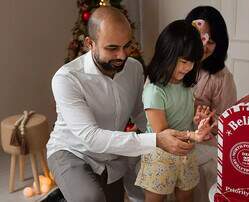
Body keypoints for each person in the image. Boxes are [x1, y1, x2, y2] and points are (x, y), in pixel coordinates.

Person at [46, 7, 194, 202]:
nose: (122, 55)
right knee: (90, 198)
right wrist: (157, 140)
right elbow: (90, 137)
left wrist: (173, 136)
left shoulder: (133, 68)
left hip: (112, 155)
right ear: (90, 43)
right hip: (73, 151)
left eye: (127, 46)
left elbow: (141, 113)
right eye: (112, 48)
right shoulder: (67, 78)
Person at [135, 20, 213, 202]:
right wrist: (193, 136)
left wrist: (198, 121)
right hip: (159, 155)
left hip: (186, 152)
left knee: (186, 196)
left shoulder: (186, 86)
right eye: (183, 61)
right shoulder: (155, 91)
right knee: (156, 198)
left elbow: (186, 117)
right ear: (166, 55)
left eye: (192, 62)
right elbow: (162, 134)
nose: (187, 67)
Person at [185, 6, 237, 202]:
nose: (203, 46)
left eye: (211, 41)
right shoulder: (176, 67)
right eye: (200, 40)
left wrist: (207, 122)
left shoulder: (222, 78)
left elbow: (226, 125)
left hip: (204, 141)